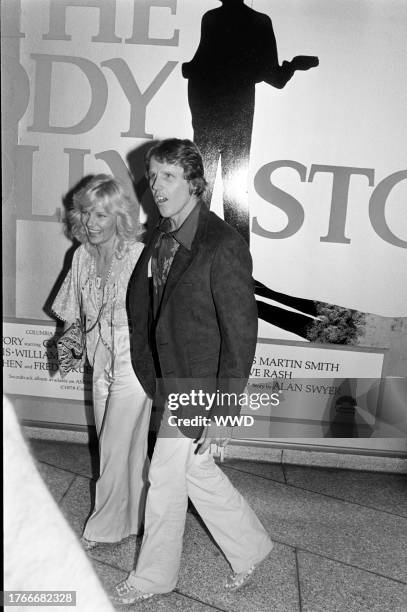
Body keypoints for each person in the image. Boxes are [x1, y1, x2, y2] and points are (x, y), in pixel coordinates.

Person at [114, 139, 273, 604]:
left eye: (168, 177)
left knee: (163, 477)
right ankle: (252, 547)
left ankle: (153, 578)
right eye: (153, 175)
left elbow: (241, 333)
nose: (156, 186)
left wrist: (224, 409)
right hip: (169, 373)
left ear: (194, 184)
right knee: (195, 471)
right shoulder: (162, 233)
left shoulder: (222, 245)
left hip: (199, 383)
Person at [52, 175, 152, 549]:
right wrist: (69, 345)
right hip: (99, 353)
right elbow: (72, 311)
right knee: (123, 442)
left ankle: (103, 528)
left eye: (101, 216)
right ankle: (136, 518)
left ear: (118, 217)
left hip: (132, 356)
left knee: (113, 444)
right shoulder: (80, 255)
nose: (91, 223)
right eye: (86, 213)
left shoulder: (139, 255)